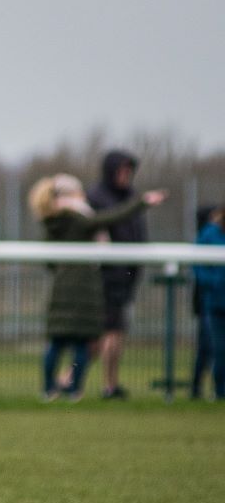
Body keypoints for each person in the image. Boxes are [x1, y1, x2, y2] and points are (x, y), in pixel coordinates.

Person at [28, 174, 165, 401]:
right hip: (85, 288)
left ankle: (48, 388)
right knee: (82, 342)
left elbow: (49, 261)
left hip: (60, 287)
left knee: (56, 341)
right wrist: (141, 203)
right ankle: (74, 390)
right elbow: (111, 218)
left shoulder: (50, 221)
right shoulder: (78, 218)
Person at [87, 150, 146, 399]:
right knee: (105, 332)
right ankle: (71, 378)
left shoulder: (131, 196)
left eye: (128, 171)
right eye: (121, 170)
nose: (125, 175)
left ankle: (110, 384)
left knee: (115, 332)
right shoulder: (97, 196)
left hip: (126, 275)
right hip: (105, 275)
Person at [193, 206, 225, 400]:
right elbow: (198, 265)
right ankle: (216, 391)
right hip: (214, 302)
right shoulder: (209, 233)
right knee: (214, 349)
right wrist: (214, 282)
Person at [190, 205, 217, 399]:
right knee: (208, 347)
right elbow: (199, 269)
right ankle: (197, 388)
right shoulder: (208, 235)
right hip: (210, 301)